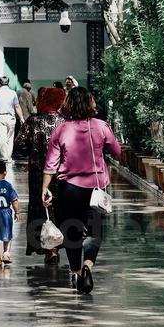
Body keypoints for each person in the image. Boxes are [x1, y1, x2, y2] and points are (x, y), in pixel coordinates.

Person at [42, 86, 120, 293]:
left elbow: (51, 163)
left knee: (72, 232)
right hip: (96, 188)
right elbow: (117, 151)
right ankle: (88, 267)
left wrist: (45, 188)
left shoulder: (61, 129)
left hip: (69, 188)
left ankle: (76, 272)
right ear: (89, 103)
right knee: (94, 231)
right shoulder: (102, 126)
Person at [19, 86, 67, 262]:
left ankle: (48, 248)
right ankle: (58, 246)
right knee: (60, 208)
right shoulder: (65, 121)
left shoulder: (33, 121)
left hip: (39, 175)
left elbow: (20, 146)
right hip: (62, 173)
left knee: (41, 208)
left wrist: (33, 154)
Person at [0, 76, 21, 162]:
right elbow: (17, 106)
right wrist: (22, 118)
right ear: (8, 83)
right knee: (10, 139)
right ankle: (8, 157)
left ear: (0, 83)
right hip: (11, 118)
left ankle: (5, 157)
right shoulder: (13, 93)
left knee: (2, 139)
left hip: (0, 117)